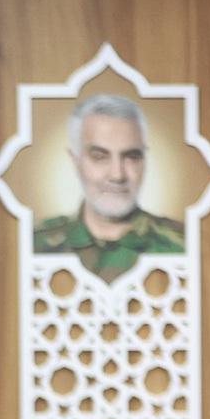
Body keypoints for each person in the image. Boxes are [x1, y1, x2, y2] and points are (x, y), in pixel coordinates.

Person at [32, 92, 184, 284]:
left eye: (131, 157)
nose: (117, 175)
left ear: (144, 161)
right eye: (99, 157)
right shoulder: (32, 244)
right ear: (75, 161)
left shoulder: (185, 244)